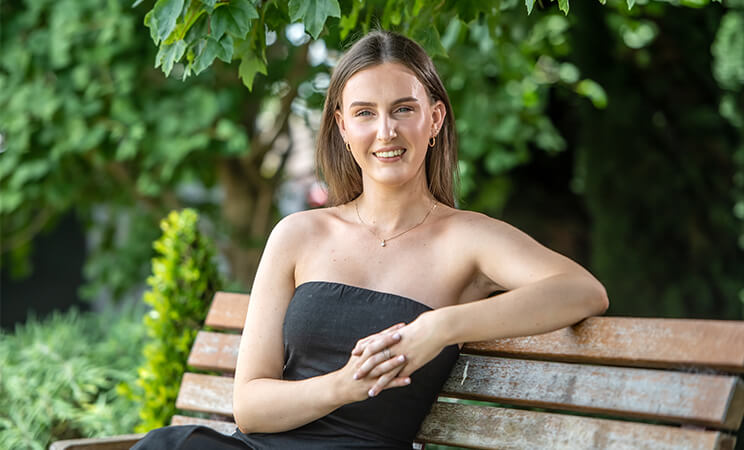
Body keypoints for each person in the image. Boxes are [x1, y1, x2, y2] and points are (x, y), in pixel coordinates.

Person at [132, 30, 608, 450]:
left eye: (404, 109)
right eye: (365, 113)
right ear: (342, 127)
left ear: (435, 120)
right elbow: (251, 408)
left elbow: (582, 290)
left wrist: (440, 328)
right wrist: (344, 385)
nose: (386, 131)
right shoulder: (299, 233)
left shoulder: (467, 238)